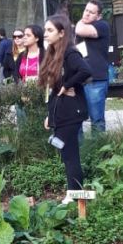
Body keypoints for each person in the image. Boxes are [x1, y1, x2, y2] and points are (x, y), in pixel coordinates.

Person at [39, 14, 91, 199]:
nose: (45, 34)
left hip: (72, 111)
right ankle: (74, 193)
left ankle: (75, 194)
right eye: (45, 30)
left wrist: (67, 85)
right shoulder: (52, 54)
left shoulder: (70, 53)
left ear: (61, 33)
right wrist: (50, 115)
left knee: (70, 154)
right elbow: (51, 90)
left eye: (50, 30)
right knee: (66, 153)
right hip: (59, 110)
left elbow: (85, 71)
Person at [74, 0, 110, 132]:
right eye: (86, 10)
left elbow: (80, 29)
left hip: (96, 79)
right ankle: (80, 145)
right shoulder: (81, 29)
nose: (87, 14)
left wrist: (80, 22)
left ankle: (99, 145)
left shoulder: (102, 25)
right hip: (79, 78)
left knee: (97, 119)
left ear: (99, 16)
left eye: (91, 12)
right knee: (76, 117)